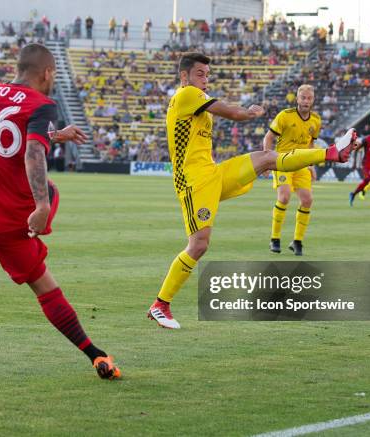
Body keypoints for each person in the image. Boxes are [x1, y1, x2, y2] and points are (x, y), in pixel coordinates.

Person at [146, 53, 358, 329]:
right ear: (184, 76)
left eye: (208, 75)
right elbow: (234, 113)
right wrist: (249, 111)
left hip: (213, 173)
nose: (205, 80)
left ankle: (331, 153)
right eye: (200, 74)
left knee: (268, 157)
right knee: (199, 245)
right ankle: (160, 304)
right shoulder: (185, 94)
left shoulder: (196, 100)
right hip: (192, 182)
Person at [0, 43, 121, 379]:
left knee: (43, 280)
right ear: (48, 73)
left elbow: (10, 130)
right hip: (17, 216)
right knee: (51, 198)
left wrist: (55, 134)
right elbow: (33, 152)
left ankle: (95, 354)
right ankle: (95, 355)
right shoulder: (43, 103)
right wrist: (41, 206)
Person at [265, 85, 321, 257]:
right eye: (302, 97)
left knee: (307, 200)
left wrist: (311, 165)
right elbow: (268, 137)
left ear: (312, 100)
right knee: (284, 196)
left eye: (308, 98)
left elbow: (311, 144)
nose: (305, 101)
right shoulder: (285, 116)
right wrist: (267, 160)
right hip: (282, 162)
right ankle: (275, 238)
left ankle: (297, 241)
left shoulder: (316, 120)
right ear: (297, 99)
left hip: (301, 164)